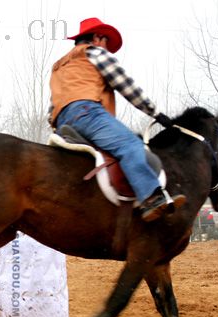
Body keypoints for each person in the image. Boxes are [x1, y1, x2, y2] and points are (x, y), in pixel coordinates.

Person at [49, 17, 186, 222]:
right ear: (97, 38)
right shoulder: (95, 53)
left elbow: (52, 105)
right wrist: (156, 113)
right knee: (130, 144)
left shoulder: (59, 66)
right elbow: (125, 86)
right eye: (106, 42)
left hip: (62, 121)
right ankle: (151, 198)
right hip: (88, 112)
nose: (108, 49)